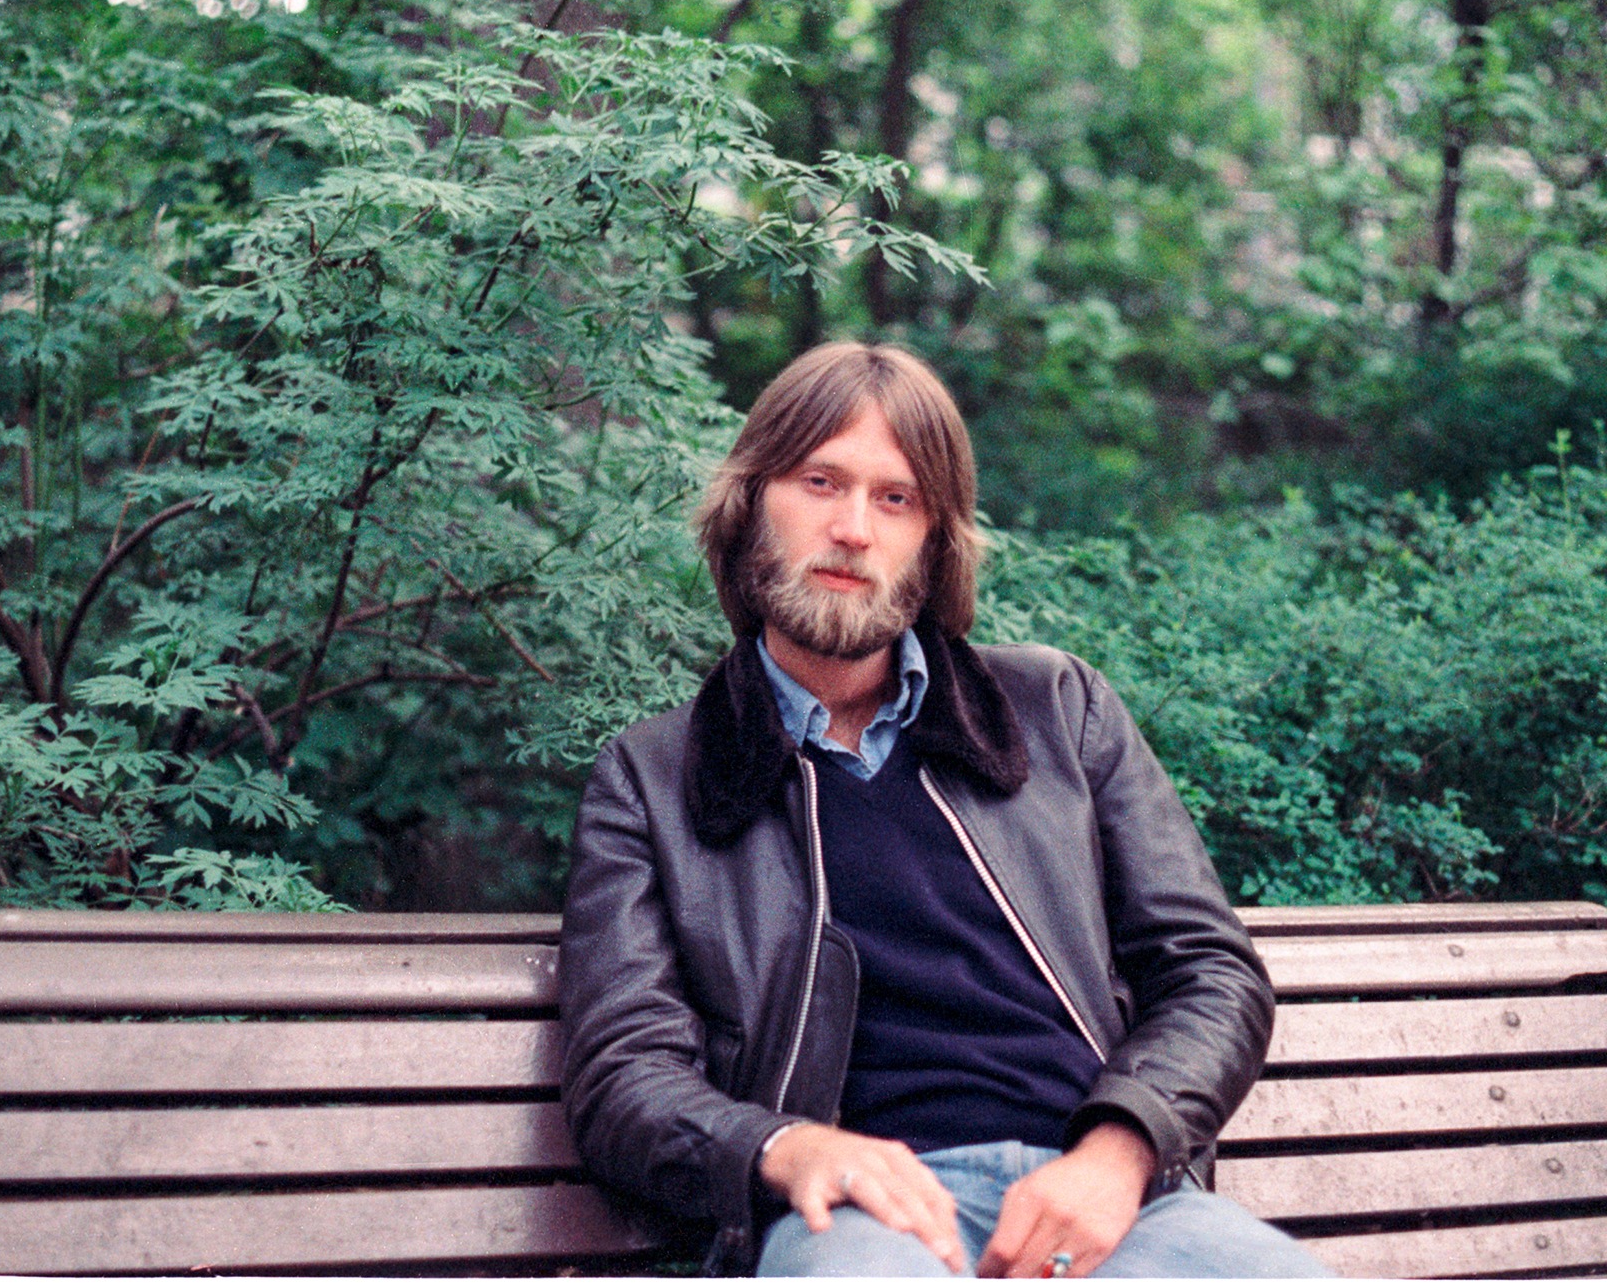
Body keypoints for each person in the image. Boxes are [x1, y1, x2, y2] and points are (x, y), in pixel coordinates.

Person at [556, 342, 1330, 1278]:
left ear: (934, 537)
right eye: (819, 481)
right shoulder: (652, 777)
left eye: (897, 498)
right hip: (860, 1219)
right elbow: (622, 1076)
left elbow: (1210, 970)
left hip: (1109, 1207)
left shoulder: (1057, 708)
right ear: (752, 502)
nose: (852, 527)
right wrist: (785, 1147)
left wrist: (1119, 1153)